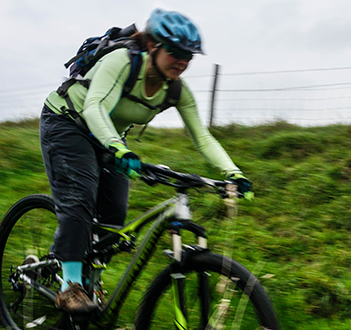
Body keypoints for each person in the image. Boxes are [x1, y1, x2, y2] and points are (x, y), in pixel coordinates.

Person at [39, 8, 252, 313]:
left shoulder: (176, 89)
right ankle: (70, 286)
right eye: (176, 52)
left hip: (110, 136)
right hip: (68, 122)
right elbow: (94, 107)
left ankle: (91, 277)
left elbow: (202, 137)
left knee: (114, 216)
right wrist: (117, 147)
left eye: (189, 56)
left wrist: (233, 173)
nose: (182, 61)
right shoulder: (121, 63)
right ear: (153, 45)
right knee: (79, 199)